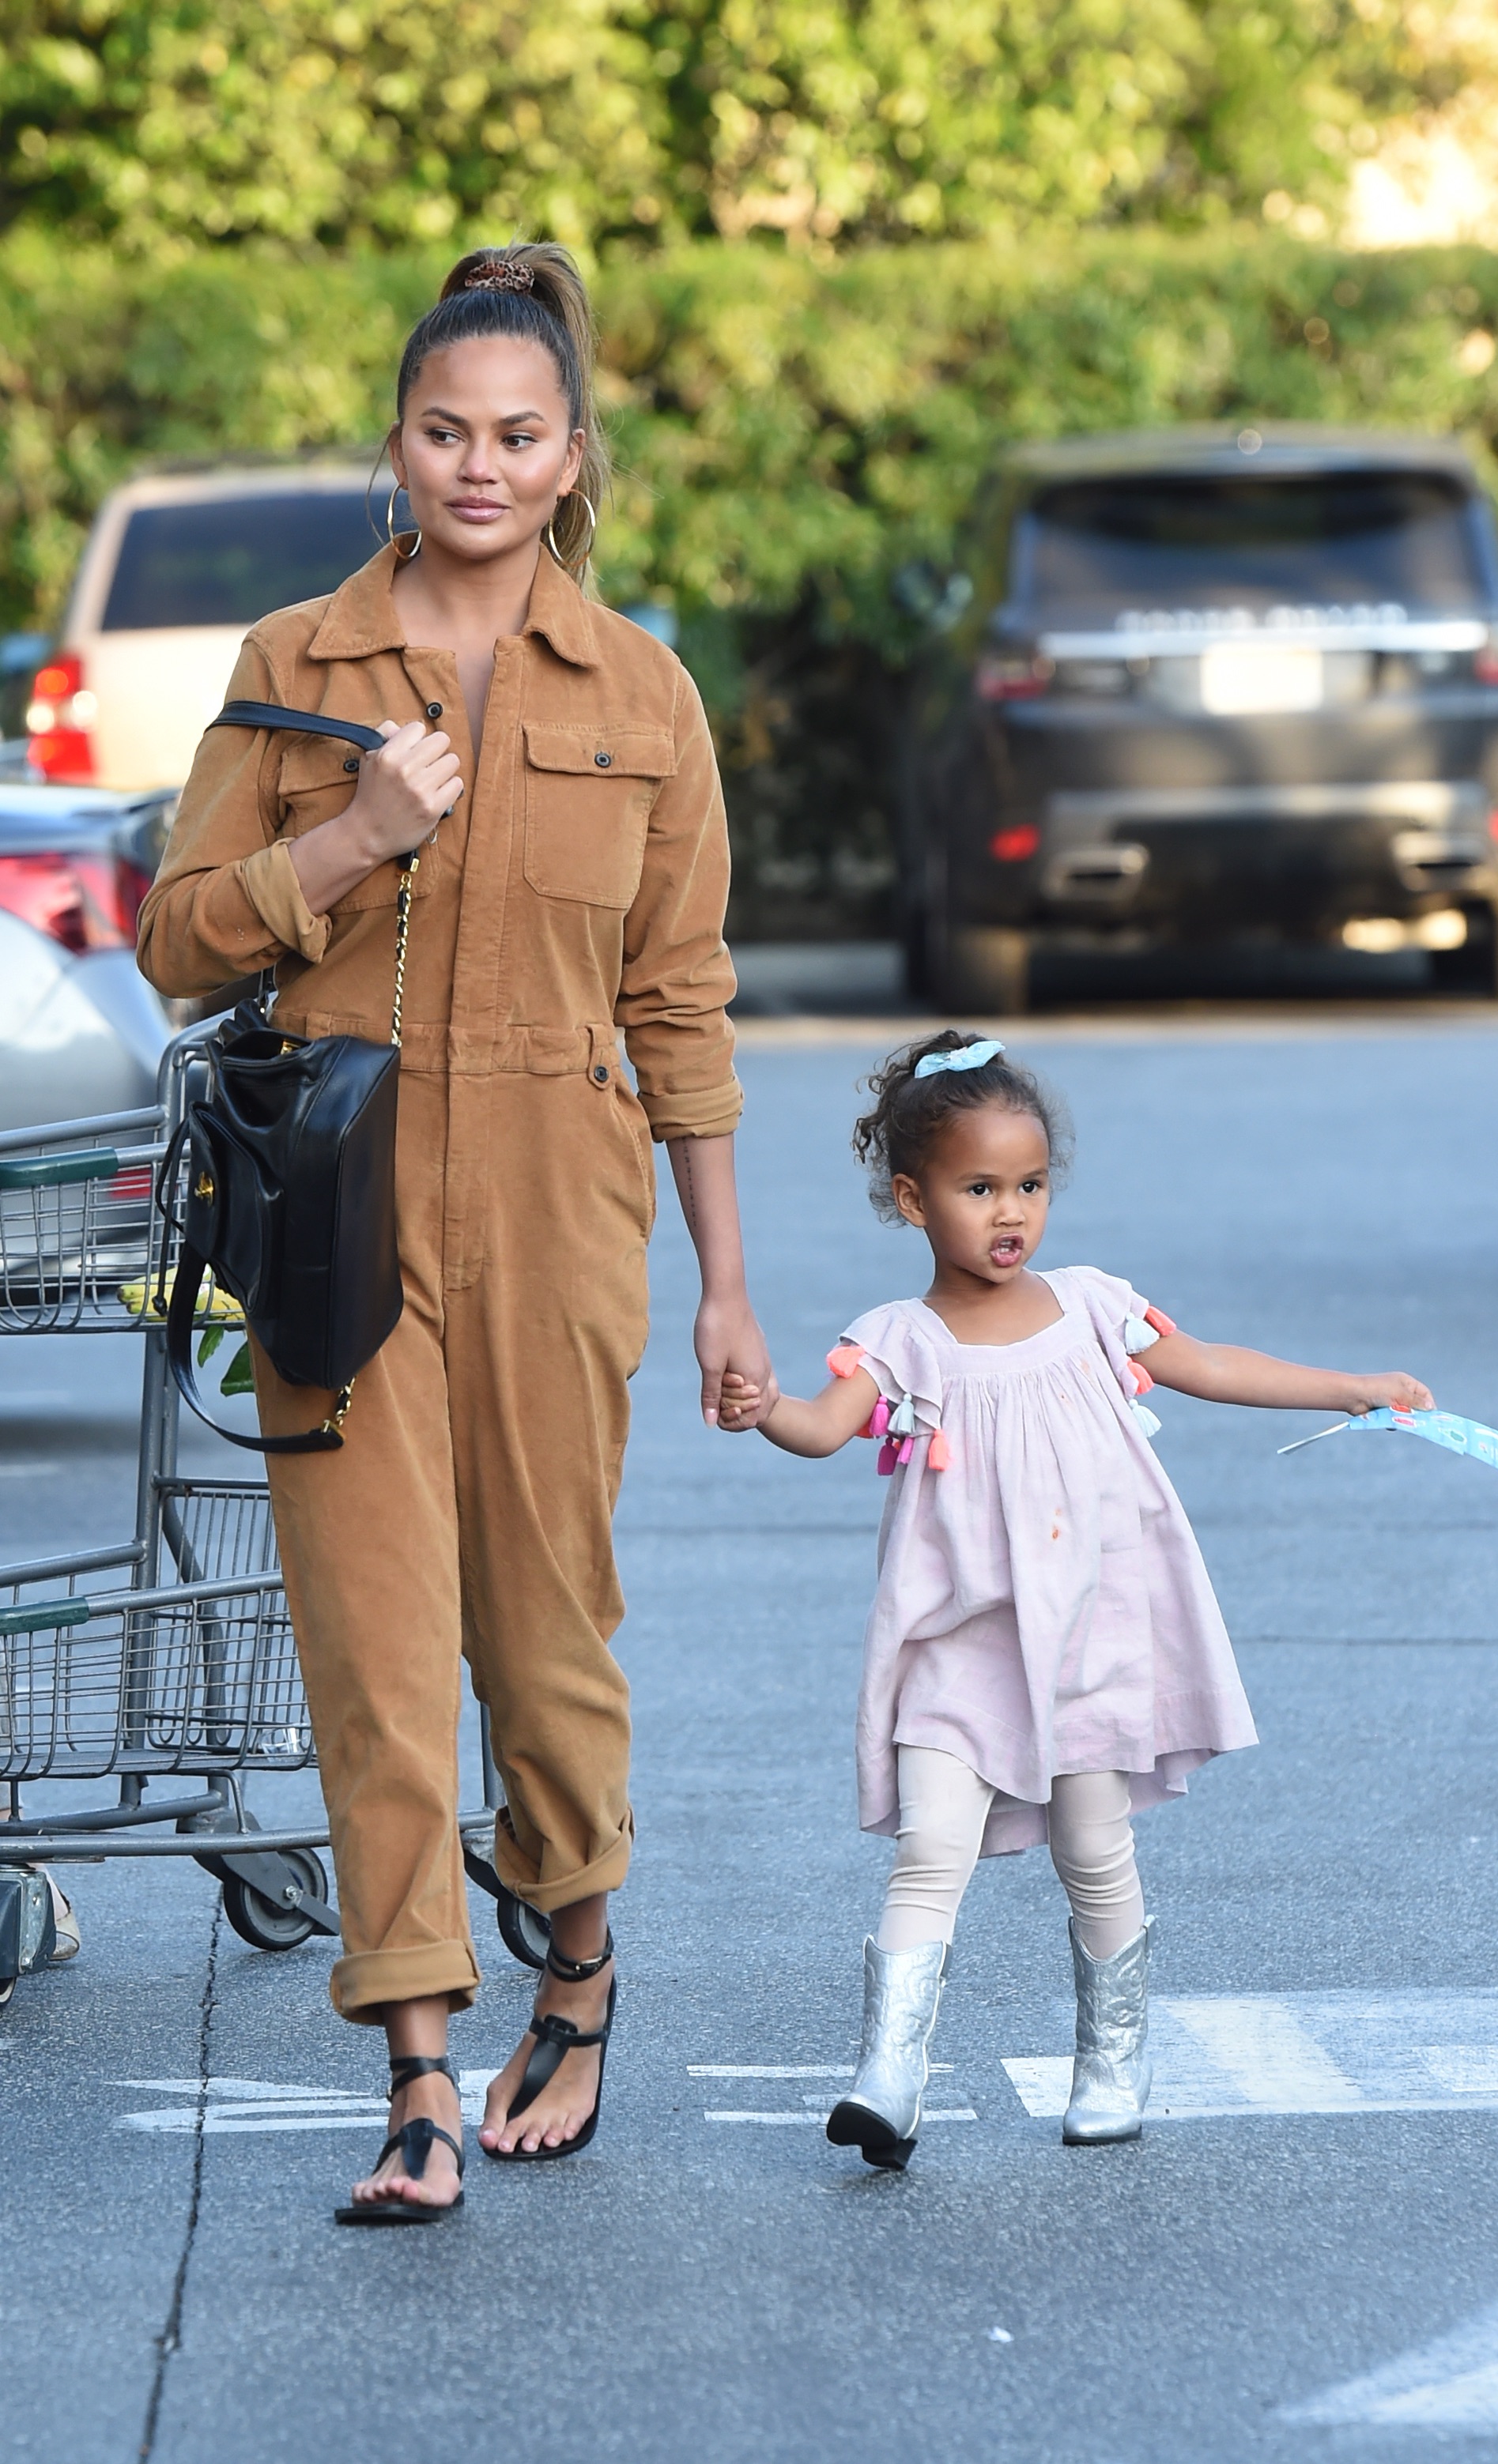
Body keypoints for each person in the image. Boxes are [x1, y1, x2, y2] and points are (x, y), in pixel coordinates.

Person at [138, 243, 772, 2221]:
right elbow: (171, 947)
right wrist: (343, 839)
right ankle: (415, 2060)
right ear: (393, 448)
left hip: (563, 1202)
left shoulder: (642, 690)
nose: (477, 465)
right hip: (326, 1194)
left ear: (571, 458)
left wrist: (730, 1279)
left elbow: (680, 1001)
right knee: (375, 1642)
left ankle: (571, 1958)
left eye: (516, 435)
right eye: (443, 431)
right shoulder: (288, 670)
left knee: (543, 1639)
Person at [716, 1030, 1430, 2167]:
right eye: (979, 1187)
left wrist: (1355, 1387)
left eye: (1031, 1184)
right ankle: (888, 2073)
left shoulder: (1094, 1308)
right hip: (955, 1648)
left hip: (1086, 1638)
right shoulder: (902, 1340)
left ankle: (1111, 2059)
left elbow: (1211, 1364)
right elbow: (819, 1425)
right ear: (912, 1199)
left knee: (1095, 1852)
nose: (1012, 1212)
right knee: (929, 1851)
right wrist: (762, 1407)